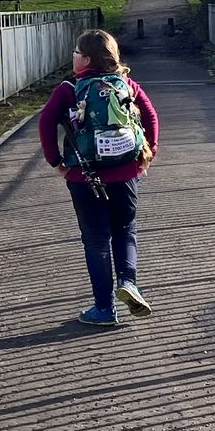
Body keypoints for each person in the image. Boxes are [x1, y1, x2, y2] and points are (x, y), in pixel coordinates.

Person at [39, 29, 160, 326]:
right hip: (126, 173)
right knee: (125, 229)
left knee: (95, 241)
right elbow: (150, 115)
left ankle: (104, 309)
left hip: (84, 176)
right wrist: (149, 153)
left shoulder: (69, 88)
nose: (73, 57)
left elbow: (45, 122)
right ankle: (129, 282)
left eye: (76, 53)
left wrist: (56, 162)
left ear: (87, 59)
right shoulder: (126, 84)